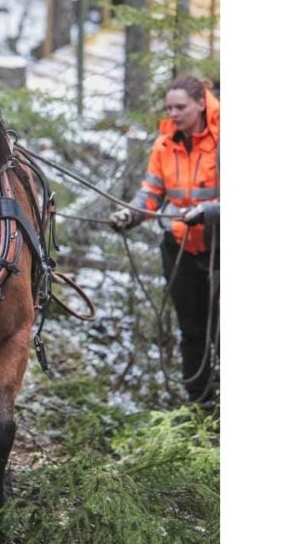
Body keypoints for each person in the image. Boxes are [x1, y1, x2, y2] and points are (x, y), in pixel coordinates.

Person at [109, 76, 219, 403]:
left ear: (201, 103)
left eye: (180, 107)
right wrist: (131, 215)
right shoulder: (164, 145)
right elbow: (152, 193)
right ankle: (199, 404)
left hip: (221, 249)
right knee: (191, 331)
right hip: (179, 250)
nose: (173, 113)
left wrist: (208, 212)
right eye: (169, 107)